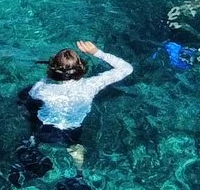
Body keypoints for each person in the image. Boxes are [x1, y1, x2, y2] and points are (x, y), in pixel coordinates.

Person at [19, 41, 134, 172]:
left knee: (30, 128)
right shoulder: (92, 85)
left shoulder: (41, 88)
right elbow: (127, 69)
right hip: (72, 130)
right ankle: (78, 174)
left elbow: (29, 98)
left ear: (52, 69)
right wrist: (97, 52)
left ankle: (31, 147)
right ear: (82, 68)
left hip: (45, 129)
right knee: (75, 146)